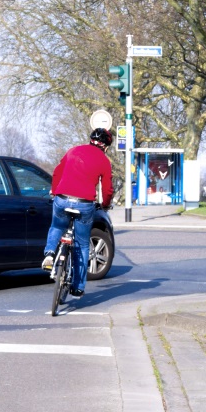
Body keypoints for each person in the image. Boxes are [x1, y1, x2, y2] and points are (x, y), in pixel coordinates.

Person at [42, 127, 114, 297]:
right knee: (82, 244)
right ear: (105, 146)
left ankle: (50, 253)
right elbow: (108, 188)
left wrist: (54, 191)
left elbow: (57, 172)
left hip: (62, 198)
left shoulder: (73, 150)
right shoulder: (104, 161)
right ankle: (78, 286)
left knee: (57, 227)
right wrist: (104, 204)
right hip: (84, 204)